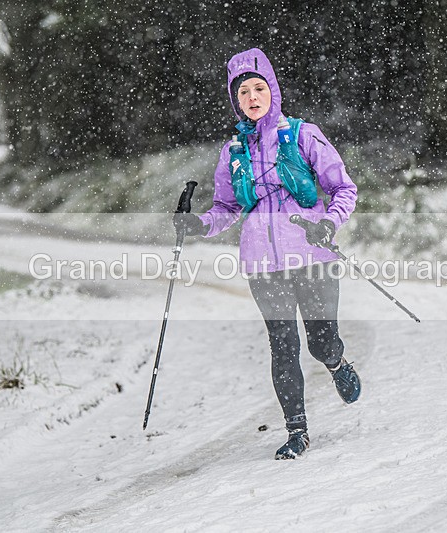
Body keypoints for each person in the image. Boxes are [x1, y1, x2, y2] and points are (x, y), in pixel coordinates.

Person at [173, 48, 360, 460]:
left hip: (312, 257)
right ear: (235, 101)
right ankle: (298, 432)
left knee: (321, 342)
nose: (253, 97)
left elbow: (344, 189)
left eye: (259, 88)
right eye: (243, 92)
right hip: (263, 264)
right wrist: (198, 224)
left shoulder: (304, 134)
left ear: (272, 91)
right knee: (283, 344)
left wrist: (328, 223)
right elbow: (226, 208)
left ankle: (336, 363)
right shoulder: (233, 152)